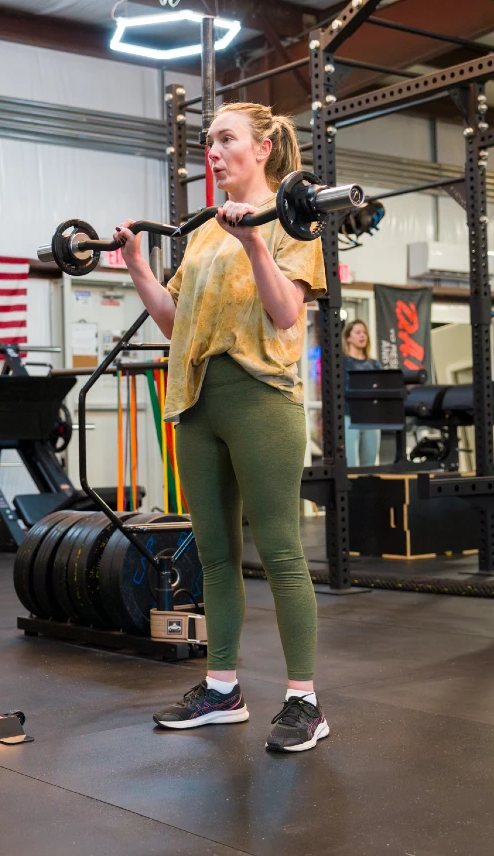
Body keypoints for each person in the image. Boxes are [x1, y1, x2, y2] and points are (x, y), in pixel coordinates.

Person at [114, 102, 329, 753]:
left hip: (262, 396)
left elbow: (286, 311)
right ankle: (222, 687)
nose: (212, 151)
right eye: (208, 141)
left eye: (225, 139)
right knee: (213, 555)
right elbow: (179, 325)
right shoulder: (205, 231)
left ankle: (304, 700)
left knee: (282, 551)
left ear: (261, 148)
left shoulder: (294, 215)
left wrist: (254, 239)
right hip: (197, 402)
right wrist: (138, 267)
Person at [342, 319, 382, 468]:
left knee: (369, 464)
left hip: (370, 417)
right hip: (348, 415)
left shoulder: (374, 364)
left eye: (364, 332)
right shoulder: (342, 362)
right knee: (350, 462)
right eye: (358, 332)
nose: (362, 336)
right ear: (348, 337)